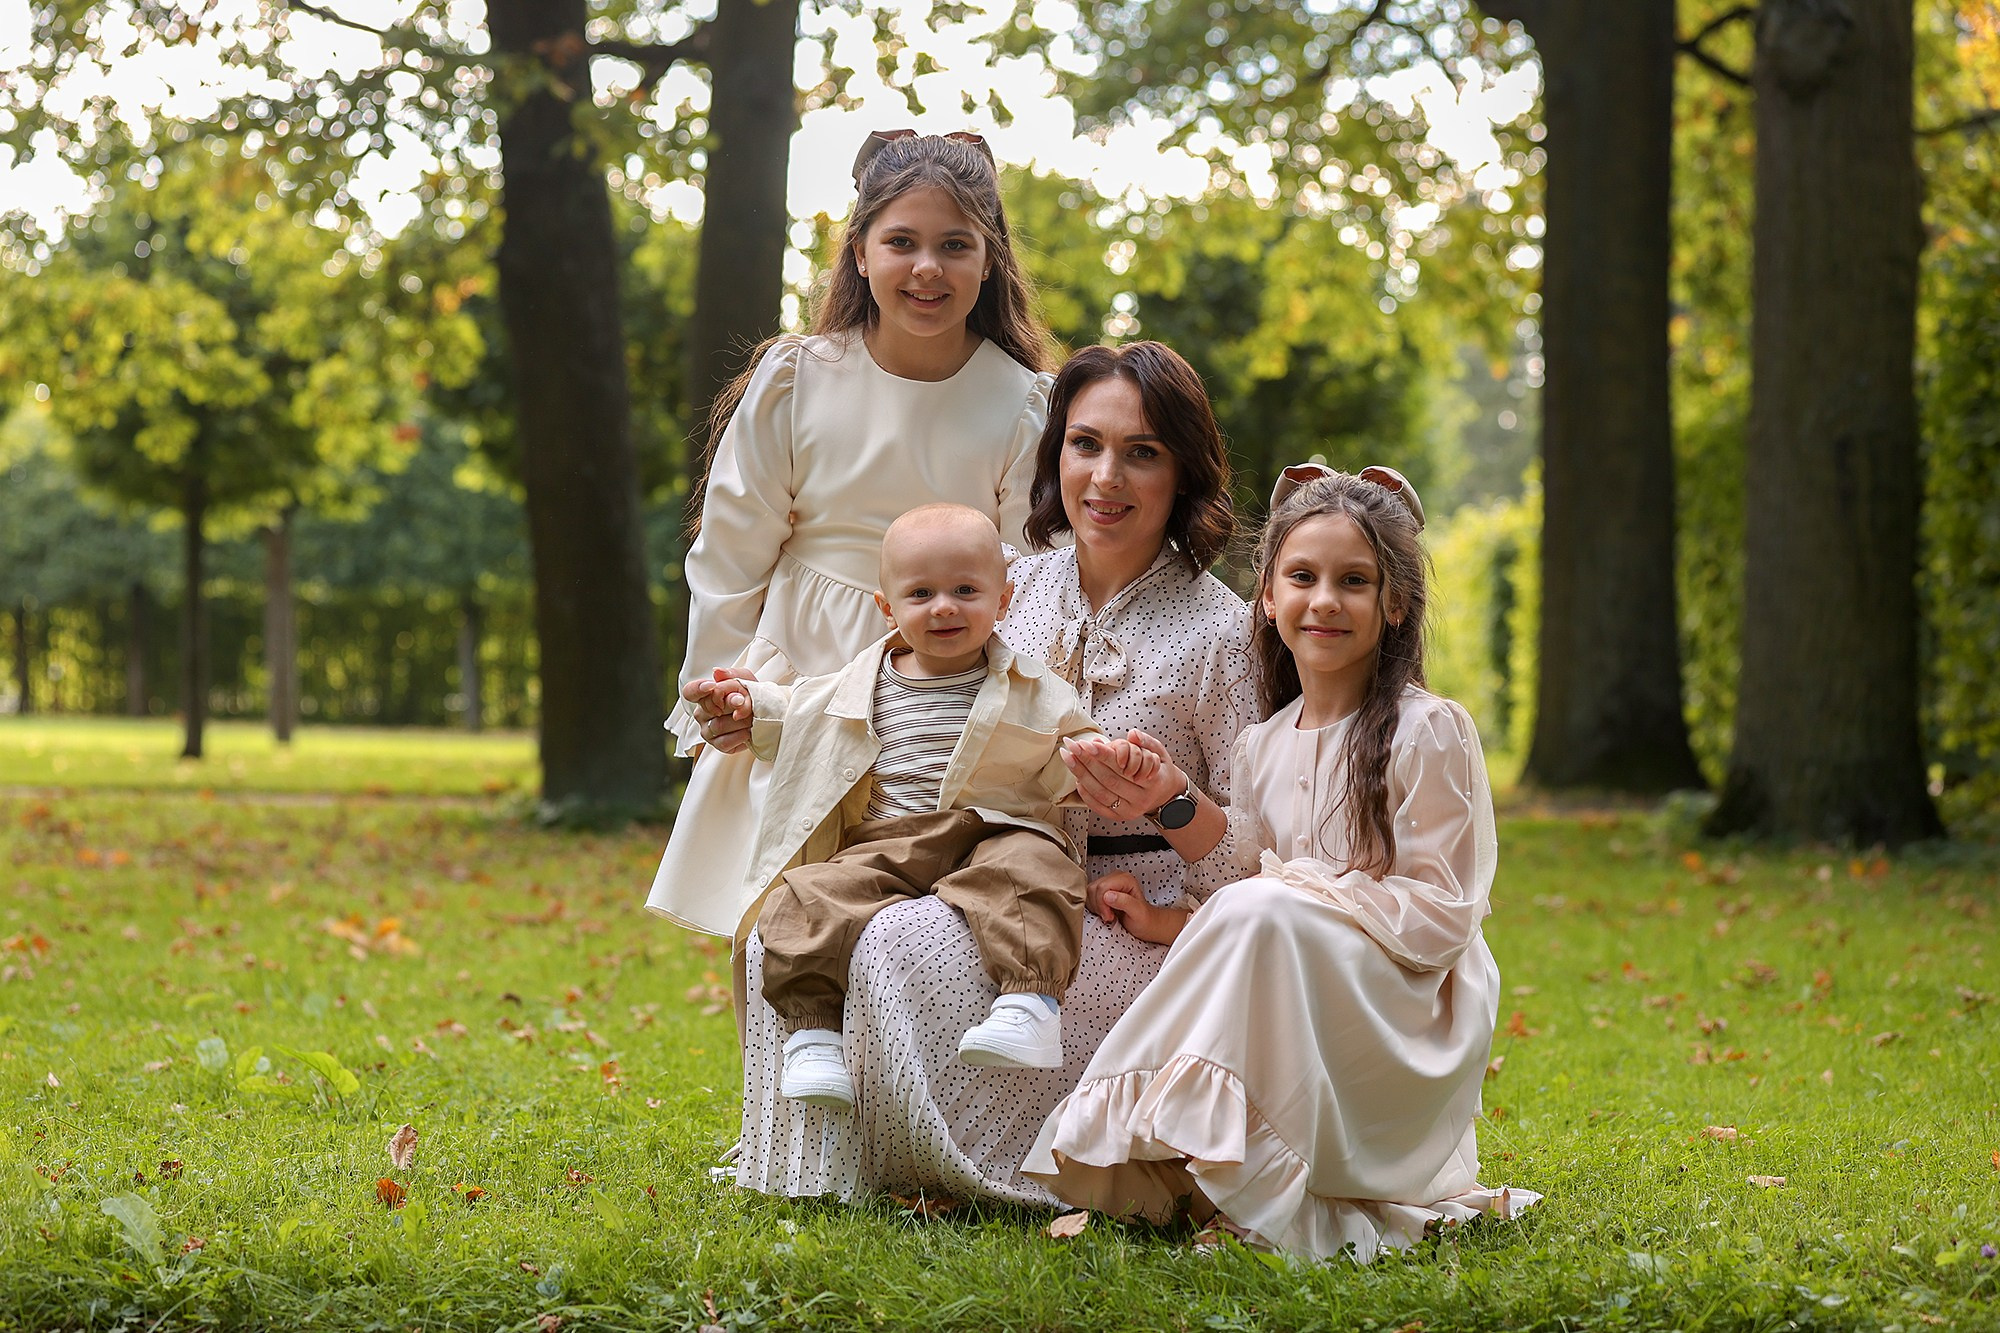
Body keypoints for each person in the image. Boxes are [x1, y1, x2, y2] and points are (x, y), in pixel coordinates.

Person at [730, 341, 1260, 1202]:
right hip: (964, 865)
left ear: (1185, 472)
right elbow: (876, 695)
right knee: (781, 926)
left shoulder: (1223, 632)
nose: (1106, 476)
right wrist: (758, 713)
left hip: (1127, 917)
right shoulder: (1005, 581)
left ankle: (955, 1168)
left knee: (899, 946)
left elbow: (1258, 855)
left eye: (1143, 451)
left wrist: (1170, 806)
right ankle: (815, 1171)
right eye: (1085, 444)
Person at [1022, 464, 1541, 1262]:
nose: (1325, 599)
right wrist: (1167, 898)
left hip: (1405, 1005)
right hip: (1307, 981)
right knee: (1257, 907)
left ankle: (1258, 1201)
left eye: (1355, 581)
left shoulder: (1428, 729)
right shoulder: (1261, 744)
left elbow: (1443, 915)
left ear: (1395, 603)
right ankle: (1199, 1160)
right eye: (1302, 576)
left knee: (1265, 907)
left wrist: (1291, 890)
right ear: (1267, 595)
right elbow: (1239, 893)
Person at [645, 130, 1056, 937]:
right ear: (861, 253)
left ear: (989, 260)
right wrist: (713, 694)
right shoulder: (800, 377)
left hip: (941, 682)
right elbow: (731, 552)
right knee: (780, 905)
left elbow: (1030, 582)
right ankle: (778, 1065)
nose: (927, 268)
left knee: (913, 908)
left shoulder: (1021, 403)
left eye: (955, 246)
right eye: (901, 242)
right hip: (796, 669)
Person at [707, 505, 1155, 1109]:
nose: (944, 606)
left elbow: (1070, 750)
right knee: (807, 894)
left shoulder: (1033, 687)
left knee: (1036, 867)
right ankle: (813, 1036)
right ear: (886, 608)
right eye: (920, 593)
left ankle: (1028, 1002)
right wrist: (746, 705)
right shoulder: (858, 684)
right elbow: (796, 713)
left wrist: (1107, 761)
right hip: (886, 839)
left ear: (1004, 601)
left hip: (991, 832)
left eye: (966, 590)